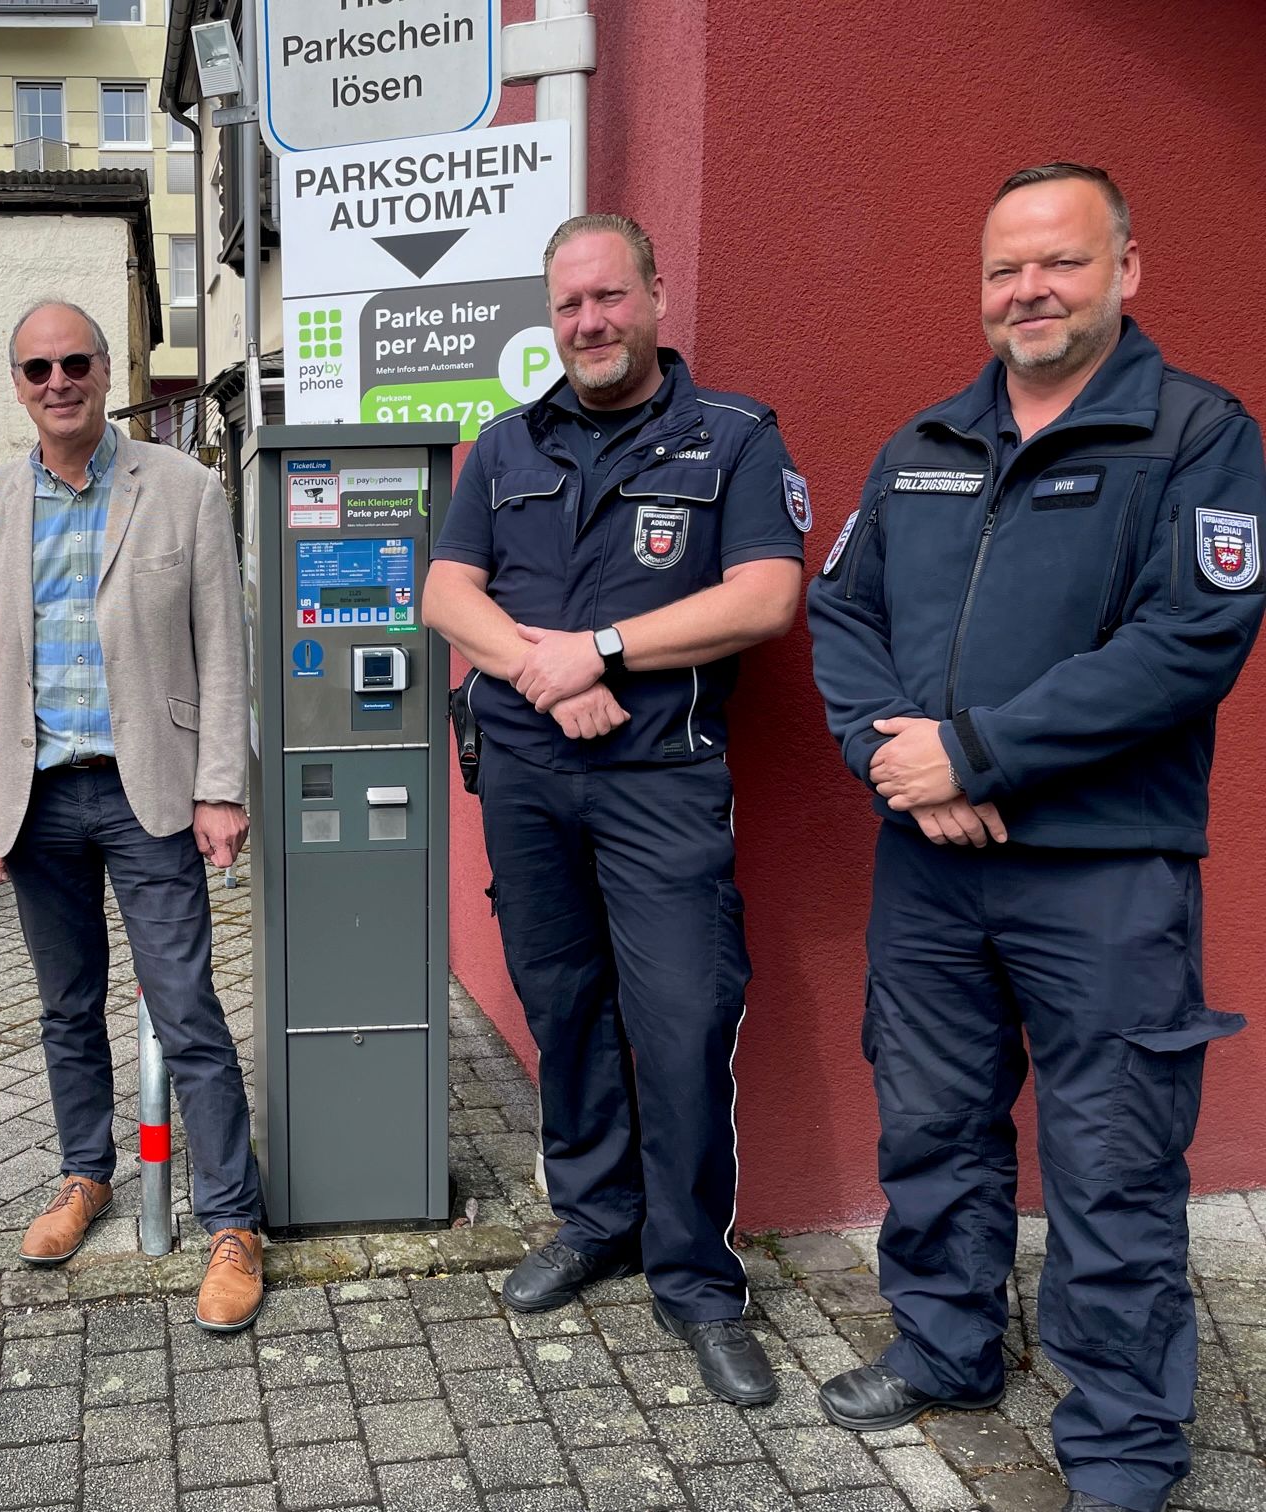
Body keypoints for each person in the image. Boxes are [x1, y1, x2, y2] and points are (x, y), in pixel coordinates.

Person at [807, 163, 1263, 1512]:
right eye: (1006, 270)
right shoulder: (925, 445)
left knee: (1113, 1152)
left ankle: (1121, 1439)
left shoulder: (1195, 435)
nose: (1030, 291)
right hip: (934, 869)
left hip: (1105, 874)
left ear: (1127, 270)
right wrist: (904, 760)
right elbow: (843, 619)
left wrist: (981, 749)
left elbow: (1190, 643)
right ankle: (948, 1348)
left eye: (1060, 263)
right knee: (934, 1125)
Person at [421, 215, 805, 1407]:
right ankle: (594, 1222)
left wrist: (599, 649)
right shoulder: (504, 444)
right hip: (530, 782)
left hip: (661, 784)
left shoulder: (732, 437)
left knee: (684, 1020)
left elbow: (766, 598)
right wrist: (546, 673)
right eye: (570, 304)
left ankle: (696, 1277)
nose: (589, 323)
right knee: (564, 1006)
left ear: (654, 298)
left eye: (609, 298)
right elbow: (444, 589)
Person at [0, 300, 265, 1331]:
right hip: (36, 798)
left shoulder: (183, 489)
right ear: (18, 384)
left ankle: (231, 1219)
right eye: (36, 367)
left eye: (74, 361)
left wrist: (222, 786)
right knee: (63, 1008)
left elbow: (224, 652)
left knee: (188, 1011)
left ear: (103, 369)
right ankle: (86, 1176)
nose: (57, 381)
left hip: (153, 792)